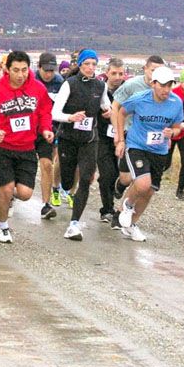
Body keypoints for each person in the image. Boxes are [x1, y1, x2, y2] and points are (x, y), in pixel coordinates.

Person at [0, 51, 53, 243]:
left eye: (24, 70)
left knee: (25, 194)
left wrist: (46, 129)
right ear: (7, 69)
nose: (20, 75)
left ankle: (10, 197)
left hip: (26, 148)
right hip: (1, 149)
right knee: (6, 189)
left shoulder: (37, 88)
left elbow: (45, 111)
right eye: (16, 70)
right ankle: (3, 227)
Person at [115, 67, 184, 241]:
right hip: (137, 145)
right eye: (162, 86)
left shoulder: (176, 102)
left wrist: (173, 133)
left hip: (159, 150)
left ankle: (132, 225)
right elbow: (121, 112)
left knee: (149, 191)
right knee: (143, 183)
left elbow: (177, 126)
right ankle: (128, 204)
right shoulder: (140, 99)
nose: (166, 90)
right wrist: (121, 139)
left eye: (169, 86)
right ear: (153, 84)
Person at [52, 49, 111, 241]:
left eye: (94, 64)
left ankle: (74, 224)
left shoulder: (100, 86)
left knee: (86, 178)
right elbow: (55, 113)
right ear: (80, 65)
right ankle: (64, 187)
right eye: (87, 64)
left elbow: (107, 106)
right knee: (68, 181)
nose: (91, 68)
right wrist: (70, 117)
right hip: (68, 139)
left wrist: (109, 112)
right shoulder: (70, 84)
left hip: (89, 140)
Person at [111, 55, 166, 202]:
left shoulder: (164, 90)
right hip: (130, 133)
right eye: (153, 70)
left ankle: (125, 210)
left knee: (141, 179)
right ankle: (120, 185)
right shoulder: (132, 85)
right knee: (127, 178)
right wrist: (118, 132)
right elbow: (115, 107)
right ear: (145, 69)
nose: (156, 74)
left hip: (150, 139)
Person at [35, 52, 65, 217]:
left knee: (47, 165)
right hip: (26, 130)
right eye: (46, 70)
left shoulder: (59, 83)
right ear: (39, 67)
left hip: (47, 129)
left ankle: (46, 205)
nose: (49, 74)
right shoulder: (29, 80)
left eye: (52, 70)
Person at [96, 58, 125, 222]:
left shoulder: (127, 91)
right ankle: (107, 209)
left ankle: (117, 189)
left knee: (121, 174)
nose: (117, 77)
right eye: (113, 73)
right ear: (107, 73)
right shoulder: (100, 89)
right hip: (101, 136)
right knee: (107, 173)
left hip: (122, 136)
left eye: (120, 73)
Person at [164, 67, 184, 200]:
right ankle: (154, 180)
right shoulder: (173, 94)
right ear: (180, 82)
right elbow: (165, 113)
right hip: (172, 130)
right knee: (166, 162)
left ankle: (180, 190)